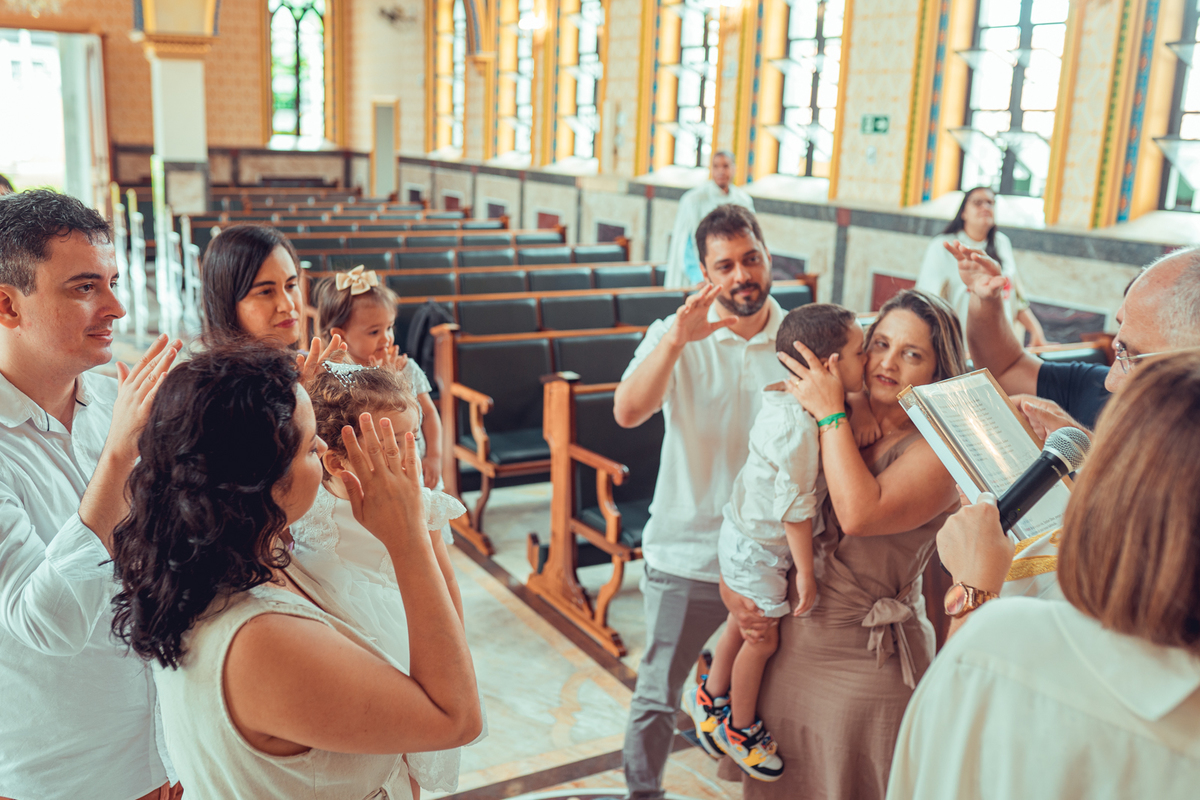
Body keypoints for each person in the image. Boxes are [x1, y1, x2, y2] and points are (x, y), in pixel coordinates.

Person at [110, 342, 483, 799]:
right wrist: (408, 540)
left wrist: (294, 398)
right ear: (259, 480)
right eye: (310, 447)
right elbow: (457, 719)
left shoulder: (231, 555)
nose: (326, 447)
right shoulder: (260, 640)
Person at [887, 351, 1200, 799]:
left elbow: (932, 764)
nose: (1111, 380)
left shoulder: (1000, 643)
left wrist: (973, 587)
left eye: (1128, 355)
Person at [719, 289, 967, 800]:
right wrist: (734, 587)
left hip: (864, 665)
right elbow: (761, 490)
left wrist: (832, 415)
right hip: (787, 646)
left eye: (912, 354)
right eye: (879, 344)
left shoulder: (940, 452)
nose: (888, 363)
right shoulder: (836, 408)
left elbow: (858, 514)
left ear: (939, 372)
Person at [0, 189, 181, 800]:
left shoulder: (112, 403)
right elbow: (46, 622)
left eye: (112, 282)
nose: (118, 308)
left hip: (171, 748)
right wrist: (118, 461)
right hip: (72, 774)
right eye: (84, 288)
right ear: (7, 304)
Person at [613, 204, 787, 800]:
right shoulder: (676, 331)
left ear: (767, 256)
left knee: (764, 696)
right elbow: (628, 412)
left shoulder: (797, 339)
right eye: (726, 265)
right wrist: (675, 344)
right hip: (686, 549)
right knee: (659, 692)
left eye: (751, 259)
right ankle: (644, 792)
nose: (742, 274)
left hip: (770, 560)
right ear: (706, 273)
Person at [689, 303, 869, 781]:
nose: (868, 360)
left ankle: (711, 693)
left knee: (740, 619)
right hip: (761, 546)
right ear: (829, 367)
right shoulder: (795, 427)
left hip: (746, 533)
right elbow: (794, 508)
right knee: (761, 637)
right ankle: (741, 728)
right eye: (861, 351)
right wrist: (805, 572)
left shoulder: (798, 398)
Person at [291, 355, 476, 795]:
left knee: (411, 749)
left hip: (405, 633)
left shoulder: (421, 501)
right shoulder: (307, 500)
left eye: (413, 439)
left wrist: (457, 642)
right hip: (342, 641)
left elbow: (444, 577)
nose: (408, 455)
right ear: (335, 461)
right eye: (392, 444)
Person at [949, 242, 1200, 436]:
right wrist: (986, 299)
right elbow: (1007, 370)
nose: (1111, 383)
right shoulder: (1094, 385)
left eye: (1131, 355)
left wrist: (1081, 450)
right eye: (1120, 329)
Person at [313, 268, 444, 489]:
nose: (386, 337)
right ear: (340, 335)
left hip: (413, 463)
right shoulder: (336, 378)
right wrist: (379, 380)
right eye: (374, 332)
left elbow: (430, 414)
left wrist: (435, 457)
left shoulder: (405, 368)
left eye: (389, 327)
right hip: (369, 474)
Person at [200, 222, 344, 377]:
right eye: (266, 292)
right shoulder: (219, 391)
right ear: (227, 303)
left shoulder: (305, 367)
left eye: (291, 285)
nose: (288, 305)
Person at [916, 187, 1046, 347]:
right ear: (963, 212)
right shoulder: (942, 247)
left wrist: (1035, 330)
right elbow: (926, 303)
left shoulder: (1002, 243)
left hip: (1000, 344)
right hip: (959, 345)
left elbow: (1013, 295)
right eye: (978, 203)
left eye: (990, 203)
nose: (986, 207)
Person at [663, 151, 756, 289]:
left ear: (734, 169)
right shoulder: (694, 200)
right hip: (700, 279)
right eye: (716, 166)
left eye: (725, 166)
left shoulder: (743, 201)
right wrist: (698, 277)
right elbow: (685, 243)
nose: (721, 171)